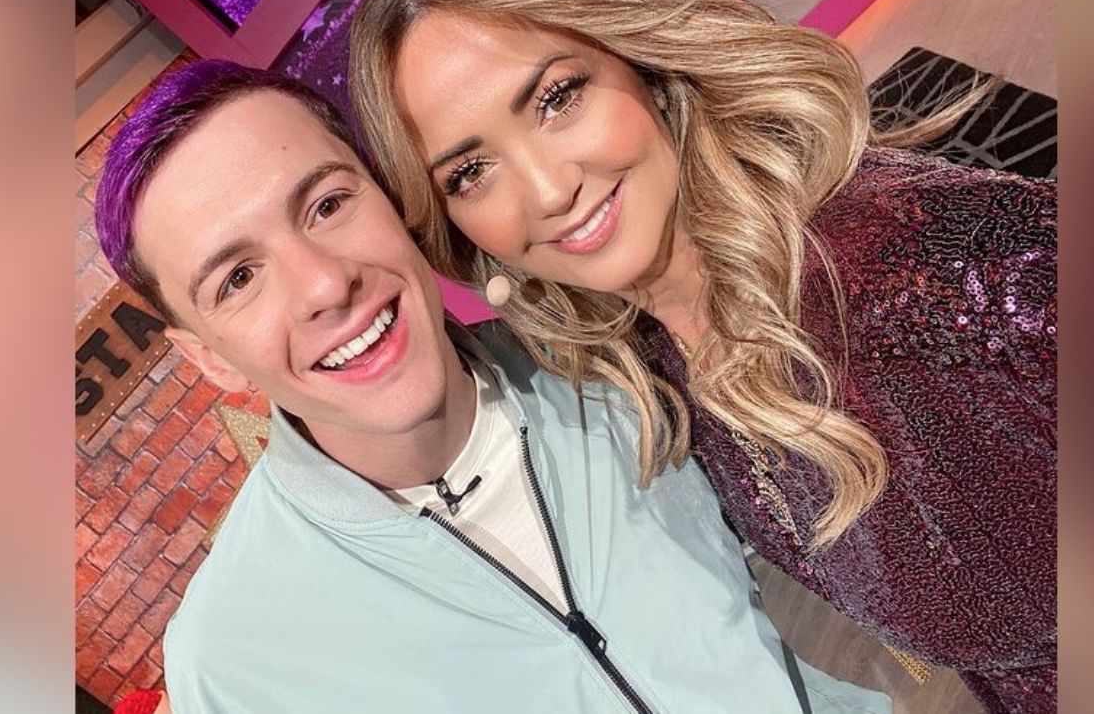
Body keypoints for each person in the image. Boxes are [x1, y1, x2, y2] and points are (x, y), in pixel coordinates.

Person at [348, 0, 1056, 714]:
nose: (547, 190)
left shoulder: (930, 274)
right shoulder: (655, 363)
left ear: (640, 61)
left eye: (556, 97)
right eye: (471, 171)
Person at [93, 59, 890, 714]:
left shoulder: (606, 358)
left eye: (328, 203)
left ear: (393, 200)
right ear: (211, 359)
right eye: (238, 278)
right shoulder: (233, 657)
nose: (325, 284)